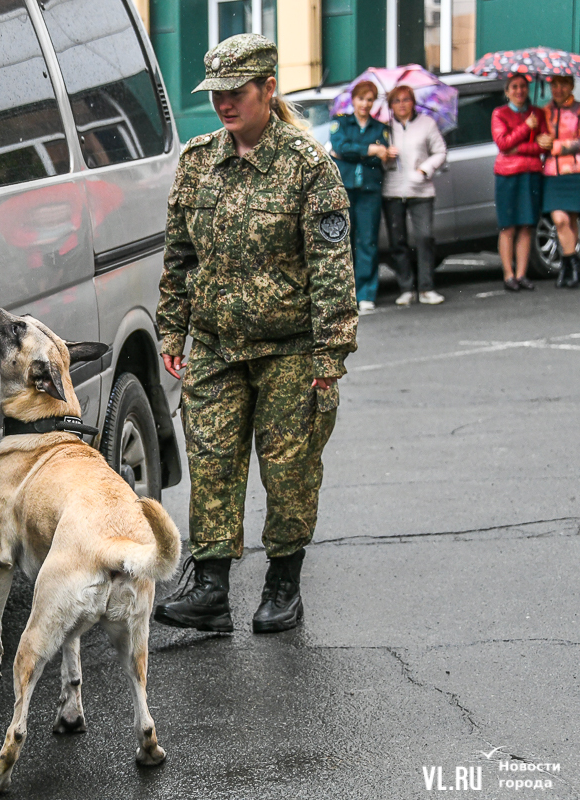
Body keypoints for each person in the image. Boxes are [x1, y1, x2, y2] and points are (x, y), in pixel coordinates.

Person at [153, 34, 357, 635]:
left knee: (289, 468)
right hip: (216, 344)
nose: (223, 103)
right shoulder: (197, 160)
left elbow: (331, 265)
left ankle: (283, 585)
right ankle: (211, 589)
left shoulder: (307, 164)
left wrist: (331, 352)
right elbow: (180, 255)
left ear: (269, 88)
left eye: (236, 92)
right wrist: (173, 328)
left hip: (290, 349)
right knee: (212, 460)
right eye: (215, 92)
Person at [382, 84, 448, 306]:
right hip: (393, 189)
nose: (402, 105)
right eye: (397, 101)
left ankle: (426, 287)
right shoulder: (385, 128)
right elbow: (377, 159)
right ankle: (406, 287)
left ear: (413, 102)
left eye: (406, 100)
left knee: (424, 237)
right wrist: (386, 156)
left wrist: (424, 169)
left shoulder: (426, 124)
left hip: (421, 189)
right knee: (397, 241)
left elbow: (440, 151)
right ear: (390, 105)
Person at [330, 81, 390, 314]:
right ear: (353, 100)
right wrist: (370, 150)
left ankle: (365, 293)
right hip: (344, 188)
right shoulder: (341, 123)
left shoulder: (380, 128)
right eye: (361, 99)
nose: (365, 104)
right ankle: (344, 294)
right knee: (342, 241)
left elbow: (378, 157)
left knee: (367, 240)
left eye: (369, 99)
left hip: (369, 190)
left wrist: (360, 152)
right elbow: (339, 147)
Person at [491, 73, 548, 292]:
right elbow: (503, 143)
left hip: (531, 173)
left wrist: (520, 147)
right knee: (508, 225)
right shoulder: (500, 114)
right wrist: (526, 127)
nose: (519, 91)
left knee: (527, 225)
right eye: (514, 87)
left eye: (523, 86)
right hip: (507, 175)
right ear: (507, 91)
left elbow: (543, 145)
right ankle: (509, 275)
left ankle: (522, 274)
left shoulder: (538, 113)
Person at [541, 75, 580, 289]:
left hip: (574, 171)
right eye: (554, 85)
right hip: (552, 174)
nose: (558, 89)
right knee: (560, 220)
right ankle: (571, 262)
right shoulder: (544, 112)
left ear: (571, 85)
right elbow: (536, 138)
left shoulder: (578, 110)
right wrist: (540, 141)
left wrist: (555, 146)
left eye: (563, 84)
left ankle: (568, 266)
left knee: (571, 220)